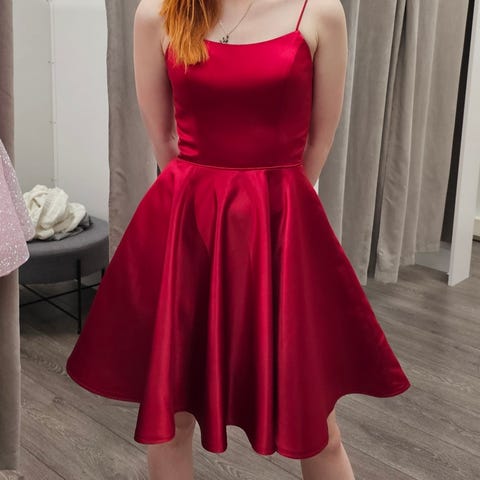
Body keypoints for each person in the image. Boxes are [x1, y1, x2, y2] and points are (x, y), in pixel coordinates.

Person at [66, 0, 411, 479]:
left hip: (281, 228)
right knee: (173, 420)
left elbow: (319, 141)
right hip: (190, 230)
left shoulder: (319, 11)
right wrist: (208, 206)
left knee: (319, 427)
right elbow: (163, 141)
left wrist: (277, 209)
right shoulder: (159, 13)